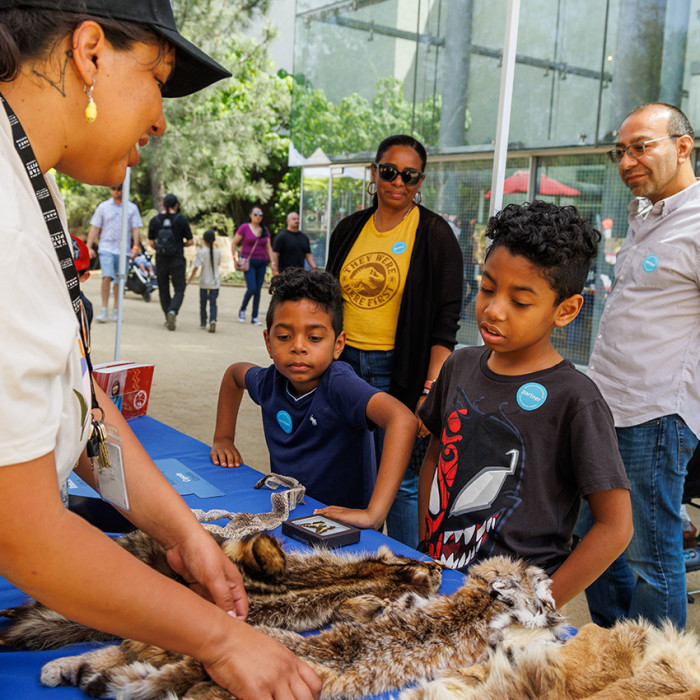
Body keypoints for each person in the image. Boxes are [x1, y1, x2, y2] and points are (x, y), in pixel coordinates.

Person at [0, 2, 321, 699]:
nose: (160, 119)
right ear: (88, 52)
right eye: (157, 76)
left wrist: (181, 533)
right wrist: (223, 640)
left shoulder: (31, 175)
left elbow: (77, 398)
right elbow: (24, 532)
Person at [417, 201, 633, 608]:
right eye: (487, 288)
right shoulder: (459, 364)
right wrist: (428, 547)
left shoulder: (576, 398)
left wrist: (538, 605)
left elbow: (615, 526)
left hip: (510, 614)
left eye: (520, 301)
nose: (493, 309)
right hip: (440, 587)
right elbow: (434, 454)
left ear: (565, 310)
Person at [576, 102, 700, 630]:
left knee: (653, 560)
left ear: (683, 146)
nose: (627, 160)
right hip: (609, 407)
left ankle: (659, 677)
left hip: (657, 415)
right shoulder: (647, 218)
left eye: (641, 146)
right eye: (620, 151)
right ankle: (617, 649)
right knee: (594, 537)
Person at [325, 134, 463, 548]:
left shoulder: (437, 236)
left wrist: (430, 386)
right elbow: (329, 299)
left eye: (409, 174)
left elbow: (446, 321)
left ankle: (405, 569)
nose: (397, 181)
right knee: (348, 469)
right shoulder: (350, 228)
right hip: (344, 365)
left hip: (398, 370)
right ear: (375, 173)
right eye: (389, 171)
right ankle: (348, 562)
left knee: (400, 478)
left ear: (421, 180)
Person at [211, 268, 417, 529]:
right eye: (284, 336)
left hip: (341, 526)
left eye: (315, 338)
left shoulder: (340, 384)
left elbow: (403, 420)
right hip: (290, 515)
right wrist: (223, 438)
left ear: (338, 344)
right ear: (268, 342)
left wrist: (373, 514)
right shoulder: (268, 382)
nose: (298, 346)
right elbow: (234, 374)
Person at [86, 182, 142, 323]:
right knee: (106, 276)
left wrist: (136, 246)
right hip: (106, 247)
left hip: (123, 250)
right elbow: (95, 227)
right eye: (113, 188)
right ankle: (104, 308)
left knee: (119, 279)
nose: (116, 192)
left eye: (119, 189)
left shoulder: (131, 208)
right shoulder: (103, 207)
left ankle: (116, 309)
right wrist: (88, 246)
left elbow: (136, 228)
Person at [148, 192, 193, 331]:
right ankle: (172, 311)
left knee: (163, 289)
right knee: (179, 288)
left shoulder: (155, 220)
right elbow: (190, 241)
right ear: (176, 205)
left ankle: (167, 316)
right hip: (177, 260)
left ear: (162, 204)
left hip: (161, 260)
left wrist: (160, 249)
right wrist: (180, 246)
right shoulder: (181, 220)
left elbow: (151, 242)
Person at [232, 205, 276, 325]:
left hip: (262, 262)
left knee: (258, 290)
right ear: (250, 215)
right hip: (249, 262)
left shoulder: (264, 230)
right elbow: (234, 243)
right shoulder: (244, 228)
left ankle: (254, 316)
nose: (258, 217)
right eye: (255, 214)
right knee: (251, 288)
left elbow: (269, 247)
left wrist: (272, 262)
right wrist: (234, 258)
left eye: (260, 215)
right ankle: (242, 309)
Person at [187, 229, 221, 333]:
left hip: (204, 282)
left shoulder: (201, 253)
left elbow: (196, 267)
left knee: (203, 303)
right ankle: (213, 320)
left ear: (204, 240)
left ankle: (203, 322)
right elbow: (218, 264)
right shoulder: (218, 252)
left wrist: (189, 279)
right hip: (215, 282)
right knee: (213, 303)